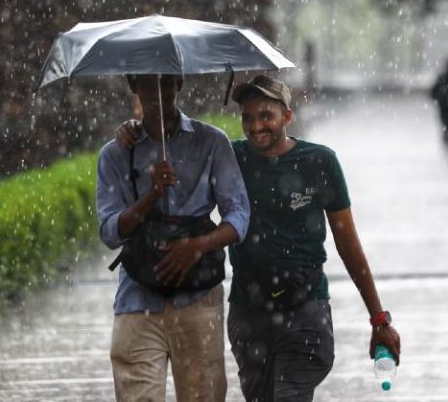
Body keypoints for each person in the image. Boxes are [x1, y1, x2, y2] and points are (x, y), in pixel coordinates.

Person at [116, 75, 401, 402]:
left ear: (287, 117)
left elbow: (348, 244)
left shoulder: (320, 162)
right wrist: (136, 131)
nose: (255, 126)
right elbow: (181, 156)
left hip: (306, 307)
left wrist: (378, 318)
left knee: (290, 394)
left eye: (266, 115)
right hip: (249, 312)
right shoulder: (230, 157)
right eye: (247, 117)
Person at [96, 73, 250, 402]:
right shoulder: (116, 154)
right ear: (132, 85)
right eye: (147, 82)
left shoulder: (211, 142)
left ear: (179, 83)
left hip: (199, 299)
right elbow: (110, 231)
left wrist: (198, 246)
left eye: (166, 81)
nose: (158, 91)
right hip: (137, 298)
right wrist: (151, 195)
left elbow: (239, 215)